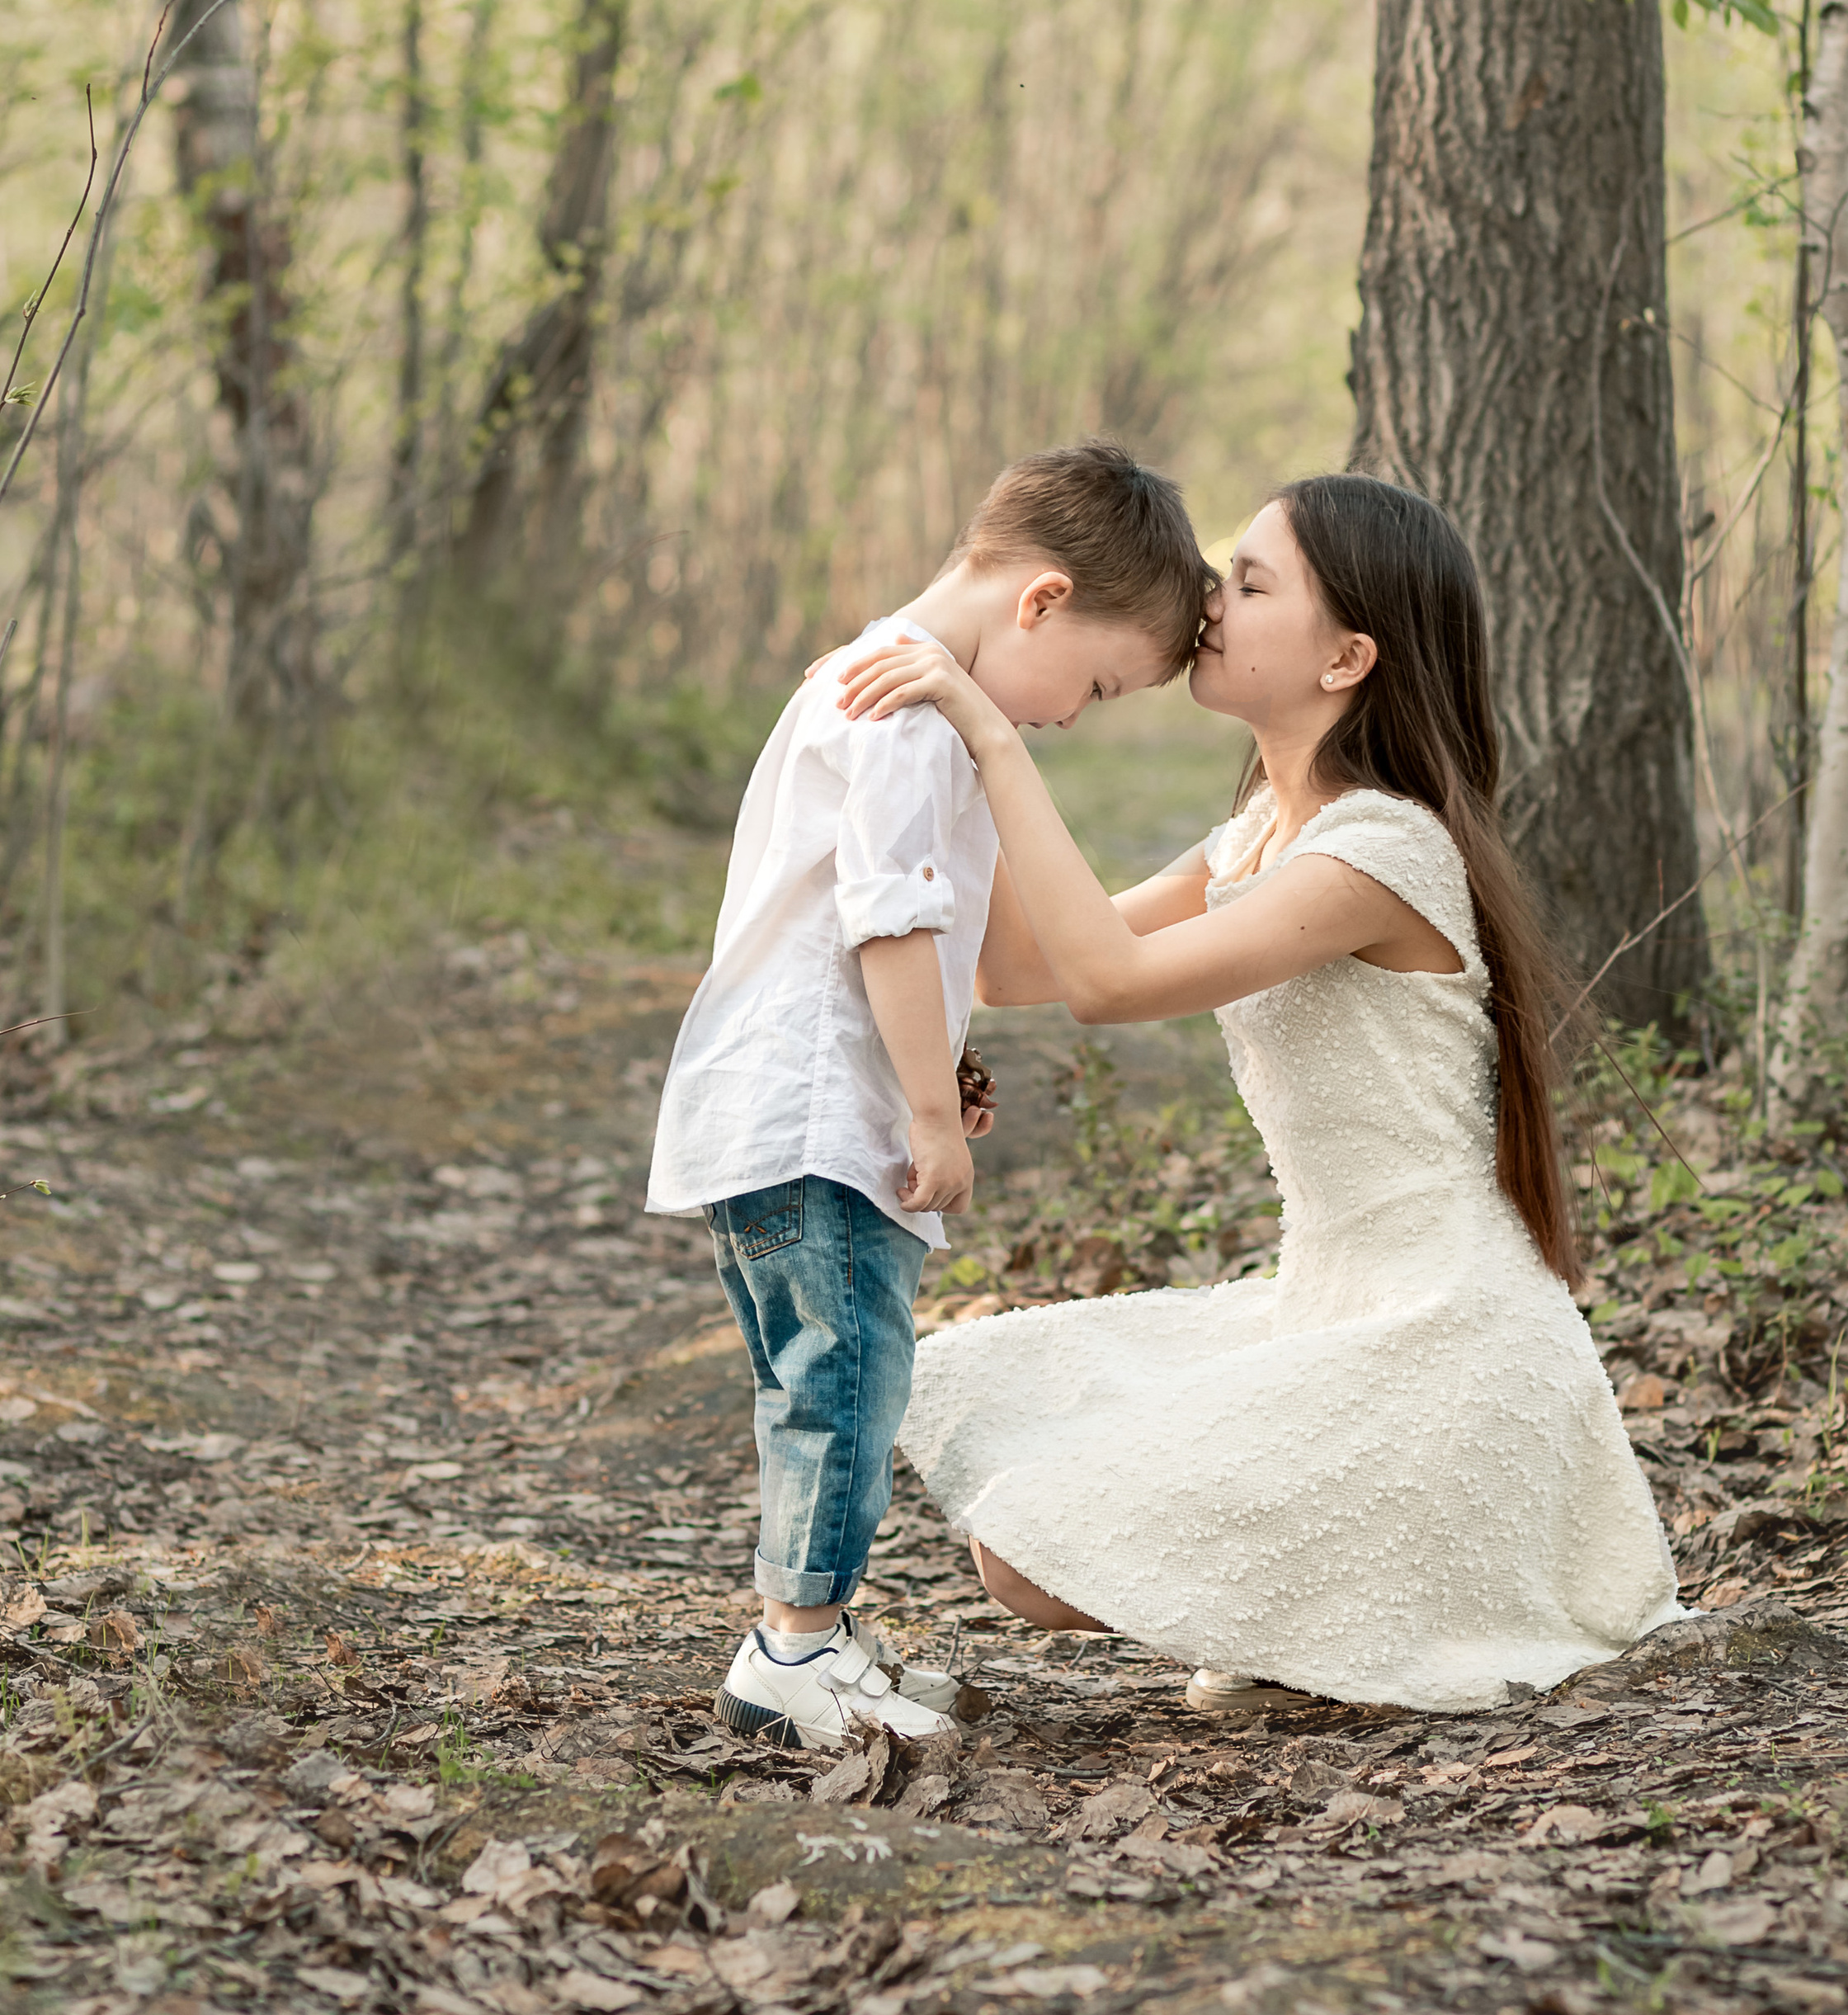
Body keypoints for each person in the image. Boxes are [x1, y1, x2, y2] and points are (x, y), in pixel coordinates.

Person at [836, 473, 1681, 1718]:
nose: (1209, 601)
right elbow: (1014, 968)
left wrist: (994, 741)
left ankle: (1373, 1610)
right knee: (1010, 1492)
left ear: (1345, 659)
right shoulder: (1254, 840)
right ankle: (1330, 1618)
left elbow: (1109, 985)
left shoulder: (1381, 851)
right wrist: (973, 732)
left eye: (1250, 581)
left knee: (1030, 1552)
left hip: (1447, 1334)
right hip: (1326, 1303)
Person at [647, 440, 1215, 1752]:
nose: (1072, 716)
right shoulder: (908, 712)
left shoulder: (892, 684)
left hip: (785, 1103)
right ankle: (793, 1654)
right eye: (1096, 685)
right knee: (843, 1380)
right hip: (816, 1121)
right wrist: (924, 1110)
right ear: (1042, 602)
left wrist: (935, 1054)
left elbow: (886, 929)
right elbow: (889, 924)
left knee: (822, 1376)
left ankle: (816, 1634)